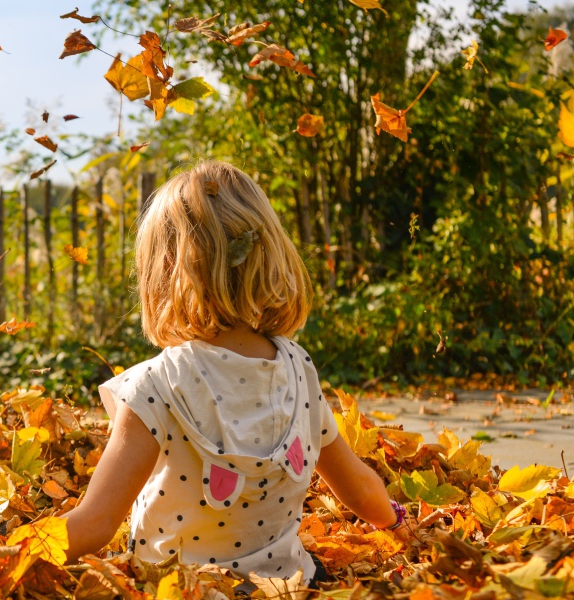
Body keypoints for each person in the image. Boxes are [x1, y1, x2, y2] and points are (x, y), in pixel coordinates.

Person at [61, 160, 406, 588]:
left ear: (166, 270)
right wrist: (398, 522)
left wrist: (6, 555)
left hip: (182, 592)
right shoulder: (298, 368)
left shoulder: (156, 386)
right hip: (288, 586)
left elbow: (95, 523)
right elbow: (358, 489)